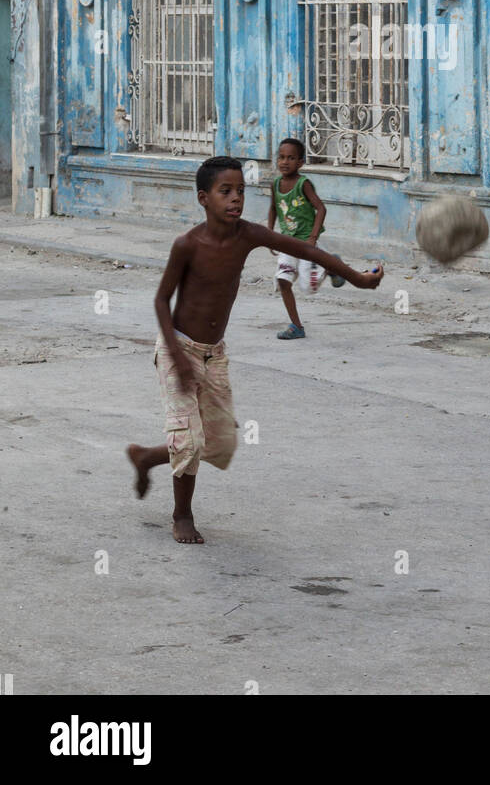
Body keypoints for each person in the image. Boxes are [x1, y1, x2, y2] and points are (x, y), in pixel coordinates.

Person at [126, 156, 383, 544]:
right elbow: (162, 301)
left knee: (219, 443)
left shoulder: (247, 235)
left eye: (241, 192)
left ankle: (147, 457)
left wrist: (356, 278)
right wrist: (177, 357)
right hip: (178, 348)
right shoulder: (187, 245)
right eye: (225, 191)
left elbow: (307, 251)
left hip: (214, 352)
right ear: (203, 198)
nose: (236, 199)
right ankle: (182, 514)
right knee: (190, 441)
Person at [268, 137, 334, 339]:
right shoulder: (276, 184)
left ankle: (331, 266)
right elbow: (273, 209)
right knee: (283, 280)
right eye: (281, 157)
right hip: (287, 243)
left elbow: (321, 208)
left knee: (308, 287)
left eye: (290, 158)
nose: (285, 162)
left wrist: (313, 237)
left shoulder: (303, 184)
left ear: (300, 163)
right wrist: (270, 233)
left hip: (306, 243)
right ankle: (296, 326)